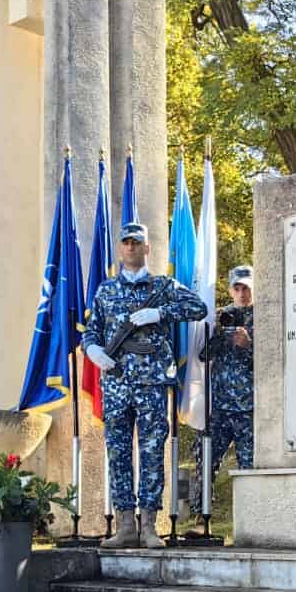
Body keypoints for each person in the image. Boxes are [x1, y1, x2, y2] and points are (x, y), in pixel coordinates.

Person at [85, 221, 208, 549]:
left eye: (136, 242)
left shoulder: (163, 286)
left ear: (147, 248)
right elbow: (90, 331)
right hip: (116, 383)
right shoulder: (106, 291)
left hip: (152, 381)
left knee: (152, 451)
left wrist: (160, 313)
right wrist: (94, 351)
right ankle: (125, 524)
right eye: (125, 242)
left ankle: (149, 526)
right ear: (120, 248)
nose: (130, 247)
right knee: (119, 450)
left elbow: (199, 308)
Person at [193, 265, 255, 495]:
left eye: (246, 288)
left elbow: (269, 365)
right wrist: (217, 332)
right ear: (230, 290)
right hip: (218, 407)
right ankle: (202, 518)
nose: (242, 293)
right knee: (205, 459)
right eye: (237, 288)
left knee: (249, 467)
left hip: (248, 408)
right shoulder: (220, 316)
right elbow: (202, 355)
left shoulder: (265, 318)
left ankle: (251, 519)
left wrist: (248, 346)